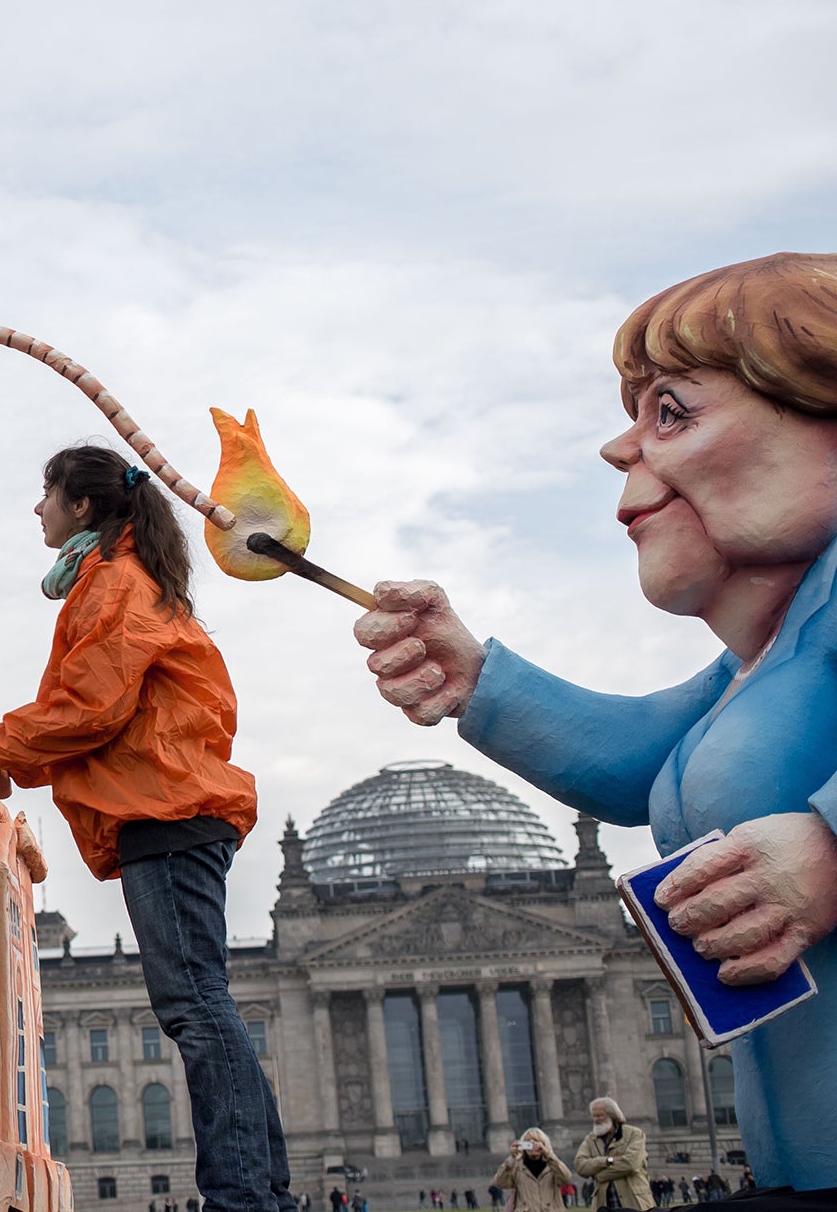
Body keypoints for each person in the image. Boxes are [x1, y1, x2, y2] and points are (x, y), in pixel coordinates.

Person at [352, 254, 837, 1191]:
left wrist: (829, 843)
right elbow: (644, 761)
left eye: (672, 413)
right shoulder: (769, 656)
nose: (621, 450)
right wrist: (480, 679)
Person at [0, 444, 281, 1212]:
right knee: (210, 1008)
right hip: (172, 809)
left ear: (84, 507)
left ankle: (244, 1199)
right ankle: (264, 1192)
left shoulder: (117, 586)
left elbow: (92, 705)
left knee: (196, 1010)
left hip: (165, 812)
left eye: (48, 494)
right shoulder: (118, 580)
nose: (38, 508)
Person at [573, 1098, 652, 1211]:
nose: (596, 1120)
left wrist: (600, 1175)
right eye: (594, 1116)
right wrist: (607, 1160)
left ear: (613, 1115)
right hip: (605, 1205)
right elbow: (580, 1166)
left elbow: (631, 1164)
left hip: (635, 1203)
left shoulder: (634, 1134)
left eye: (600, 1115)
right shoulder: (590, 1139)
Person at [498, 1128, 576, 1212]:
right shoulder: (517, 1167)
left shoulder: (552, 1165)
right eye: (527, 1141)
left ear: (543, 1144)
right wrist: (511, 1159)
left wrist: (549, 1154)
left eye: (536, 1140)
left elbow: (566, 1178)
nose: (532, 1143)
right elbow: (501, 1183)